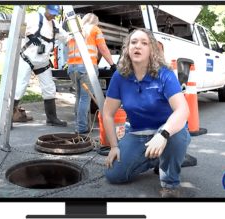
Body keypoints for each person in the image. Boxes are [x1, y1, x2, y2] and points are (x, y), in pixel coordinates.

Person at [103, 28, 191, 198]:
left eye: (144, 43)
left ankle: (170, 184)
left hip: (169, 132)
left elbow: (183, 110)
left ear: (152, 49)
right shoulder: (119, 77)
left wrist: (163, 134)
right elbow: (107, 114)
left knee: (176, 136)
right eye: (133, 42)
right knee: (113, 175)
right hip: (138, 133)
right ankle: (156, 158)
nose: (138, 46)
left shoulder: (164, 74)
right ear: (127, 48)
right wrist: (114, 146)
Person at [12, 5, 69, 127]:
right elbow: (18, 27)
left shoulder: (55, 25)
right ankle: (8, 118)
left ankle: (52, 118)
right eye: (52, 12)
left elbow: (67, 38)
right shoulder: (33, 17)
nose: (53, 15)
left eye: (55, 14)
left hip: (43, 62)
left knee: (49, 88)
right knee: (19, 87)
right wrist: (30, 35)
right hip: (27, 58)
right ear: (46, 8)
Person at [67, 13, 116, 134]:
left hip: (72, 68)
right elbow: (103, 48)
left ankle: (79, 125)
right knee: (85, 98)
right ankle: (82, 127)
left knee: (78, 97)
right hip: (86, 67)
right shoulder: (94, 29)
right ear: (95, 22)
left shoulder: (75, 31)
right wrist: (112, 64)